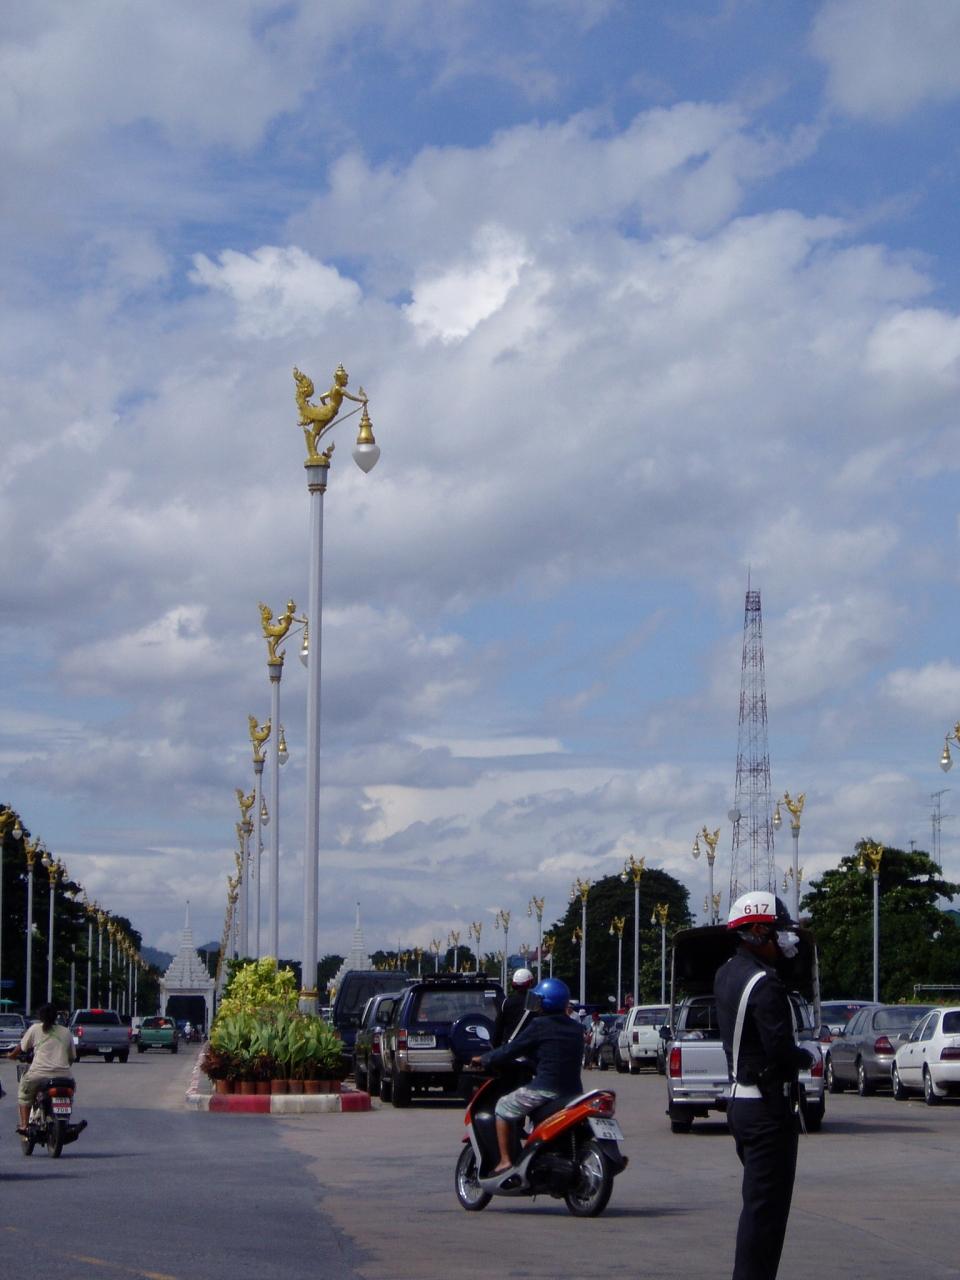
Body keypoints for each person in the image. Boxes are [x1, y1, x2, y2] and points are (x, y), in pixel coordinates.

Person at [714, 892, 814, 1280]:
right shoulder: (765, 985)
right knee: (766, 1216)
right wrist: (807, 1056)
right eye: (777, 933)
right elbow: (780, 1051)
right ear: (757, 931)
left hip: (741, 1103)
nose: (784, 942)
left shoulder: (727, 973)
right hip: (767, 1110)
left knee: (758, 1207)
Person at [473, 977, 584, 1174]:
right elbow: (554, 1053)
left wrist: (484, 1059)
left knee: (503, 1106)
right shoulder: (576, 1027)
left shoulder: (539, 1025)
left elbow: (511, 1049)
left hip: (545, 1089)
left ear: (544, 1002)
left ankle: (505, 1161)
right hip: (573, 1093)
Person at [8, 1003, 75, 1134]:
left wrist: (11, 1055)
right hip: (64, 1076)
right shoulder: (66, 1032)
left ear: (40, 1016)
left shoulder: (35, 1029)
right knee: (69, 1096)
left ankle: (24, 1125)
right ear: (56, 1016)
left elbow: (21, 1047)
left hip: (38, 1074)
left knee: (24, 1095)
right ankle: (64, 1120)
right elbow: (72, 1057)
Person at [492, 968, 535, 1046]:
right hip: (530, 1047)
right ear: (530, 983)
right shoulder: (536, 1003)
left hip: (511, 1048)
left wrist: (496, 1048)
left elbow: (498, 1031)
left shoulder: (506, 1003)